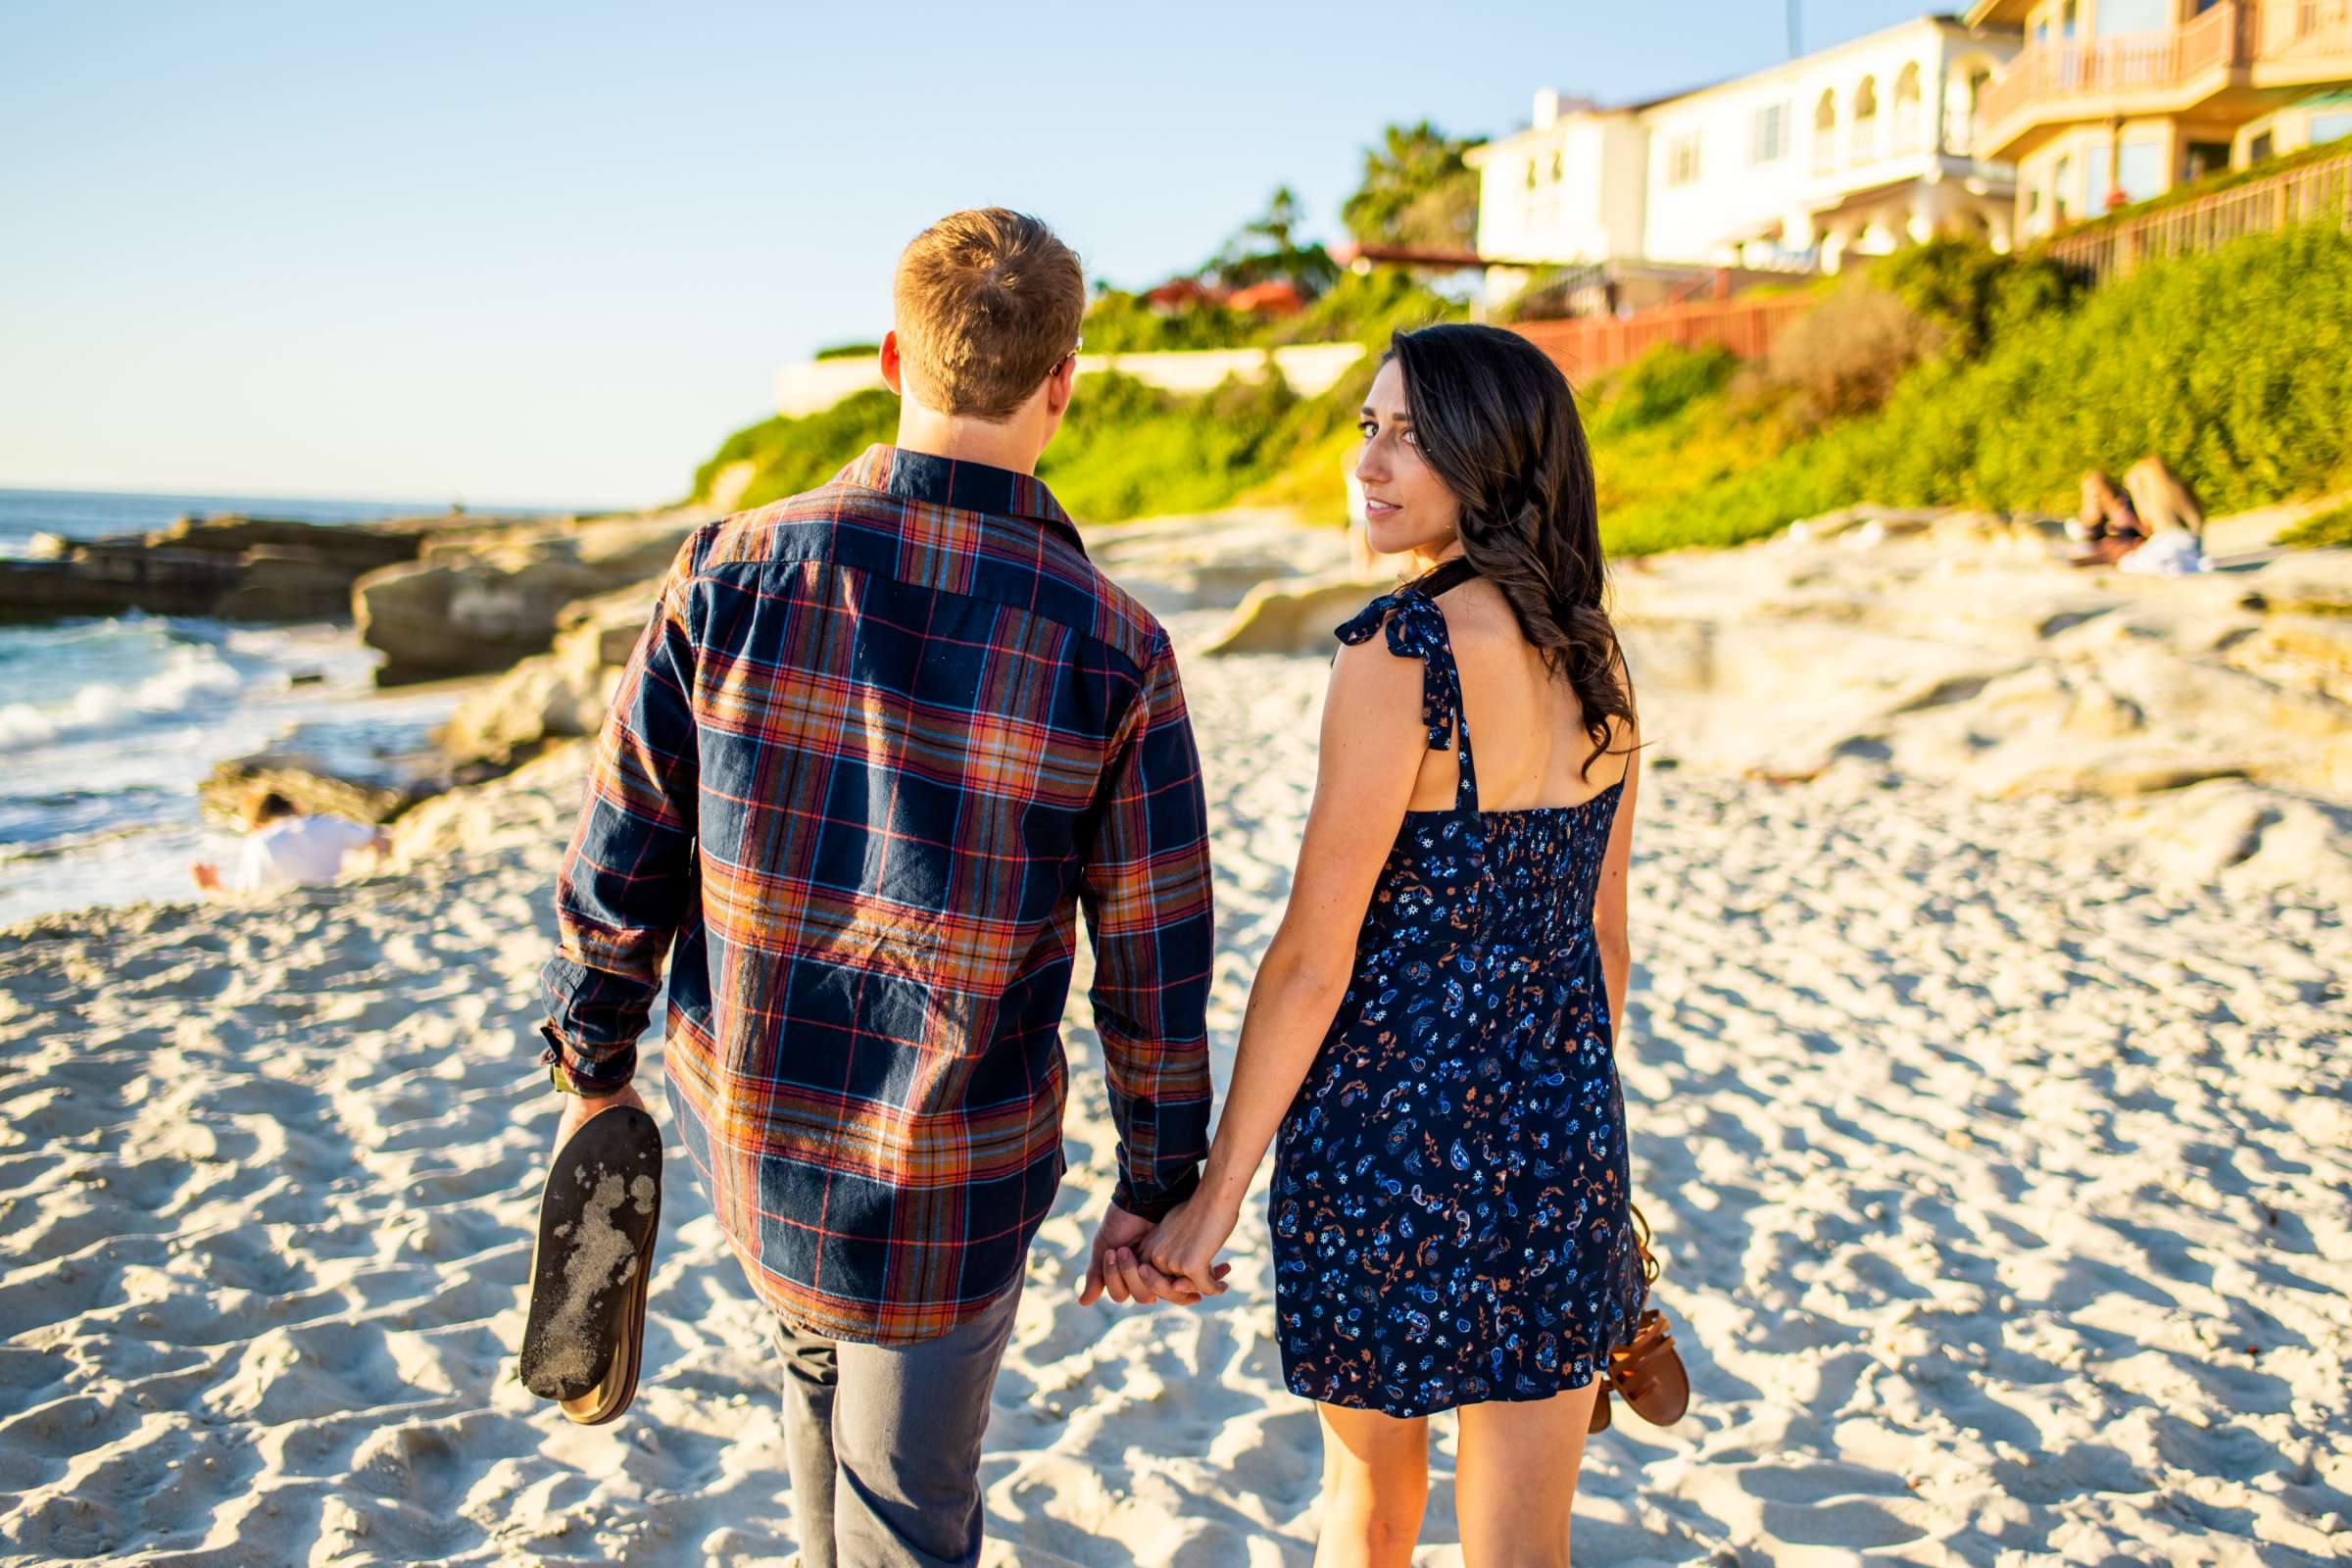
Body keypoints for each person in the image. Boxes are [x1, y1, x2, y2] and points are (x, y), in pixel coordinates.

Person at [536, 208, 1220, 1568]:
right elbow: (1155, 964)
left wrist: (591, 1060)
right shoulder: (1116, 648)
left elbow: (624, 851)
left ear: (894, 354)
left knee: (815, 1406)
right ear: (1063, 384)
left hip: (760, 1133)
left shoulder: (729, 572)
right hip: (951, 1182)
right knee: (907, 1516)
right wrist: (1157, 1179)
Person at [1140, 323, 1645, 1567]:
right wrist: (1566, 1121)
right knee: (1527, 1539)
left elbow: (1314, 960)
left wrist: (1214, 1198)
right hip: (1556, 1140)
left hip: (1384, 1149)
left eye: (1413, 433)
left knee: (1368, 1507)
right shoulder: (1595, 653)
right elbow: (1605, 942)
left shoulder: (1398, 652)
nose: (1373, 459)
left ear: (1494, 454)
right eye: (1368, 426)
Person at [189, 789, 386, 894]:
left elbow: (250, 896)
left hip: (290, 898)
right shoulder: (330, 823)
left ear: (257, 825)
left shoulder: (260, 840)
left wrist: (211, 887)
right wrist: (372, 869)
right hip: (337, 893)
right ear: (295, 807)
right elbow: (381, 840)